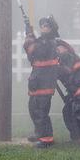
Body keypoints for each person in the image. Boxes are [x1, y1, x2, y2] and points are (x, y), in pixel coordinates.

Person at [24, 15, 59, 148]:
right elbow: (31, 55)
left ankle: (46, 138)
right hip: (38, 82)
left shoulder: (48, 42)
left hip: (44, 83)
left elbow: (31, 49)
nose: (43, 27)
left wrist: (29, 34)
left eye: (46, 25)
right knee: (33, 109)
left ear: (51, 29)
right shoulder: (43, 41)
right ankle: (40, 133)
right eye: (42, 25)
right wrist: (30, 32)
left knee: (41, 111)